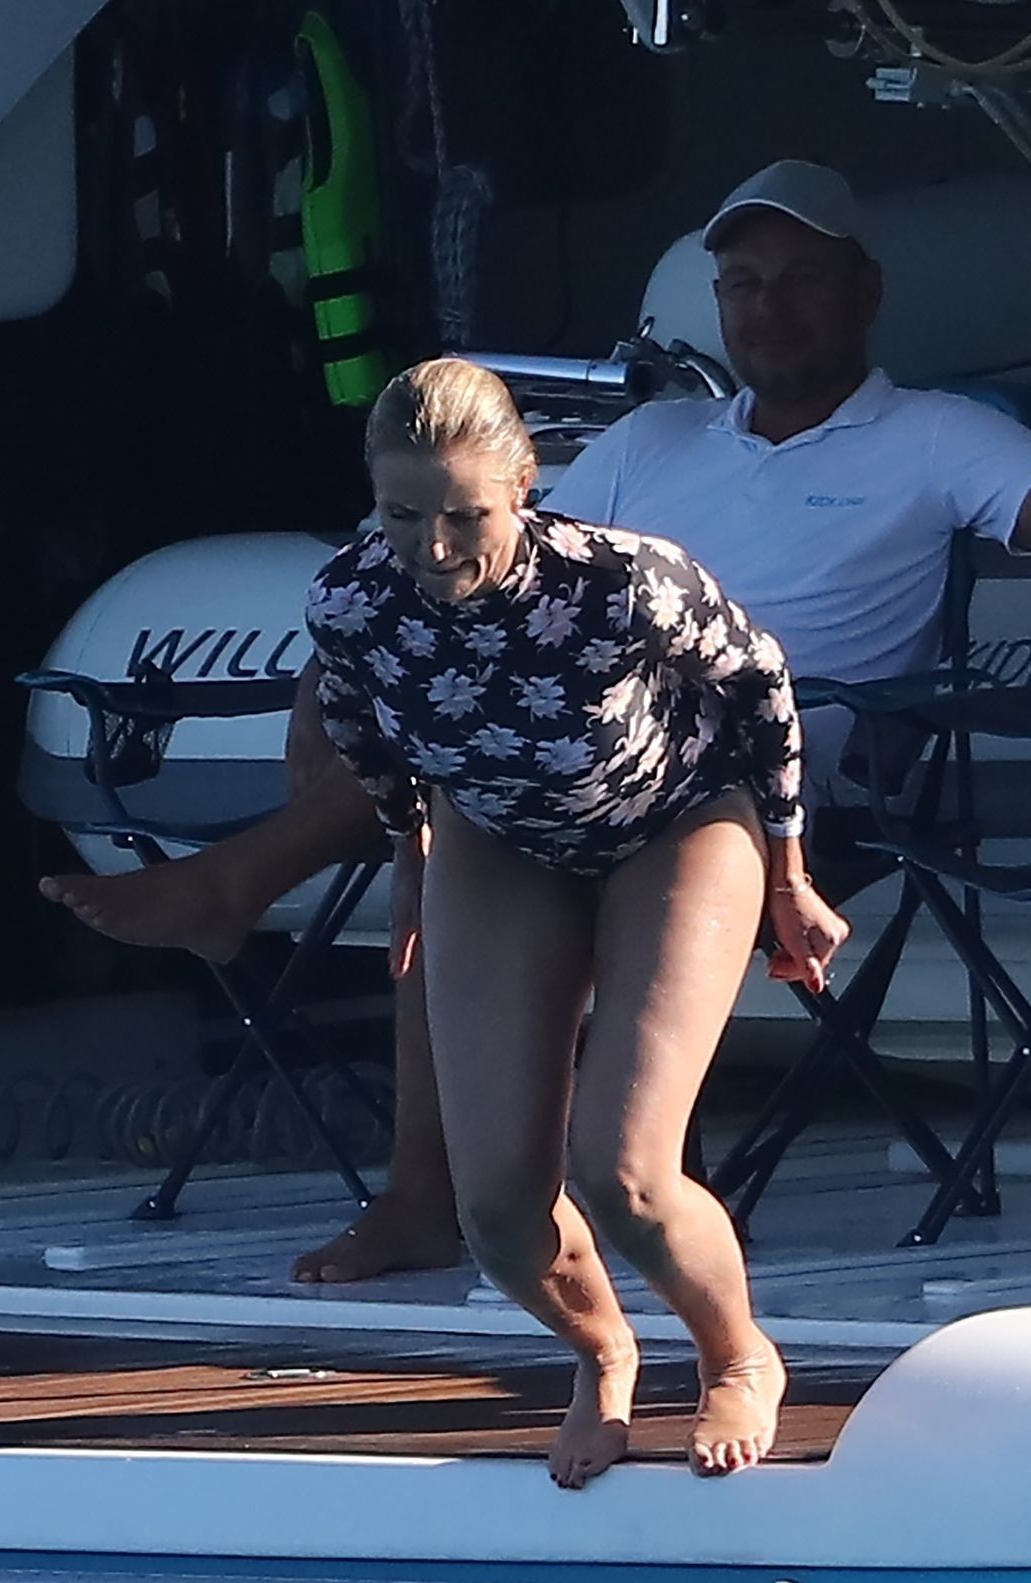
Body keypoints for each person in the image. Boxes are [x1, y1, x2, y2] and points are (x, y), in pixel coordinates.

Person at [41, 157, 1031, 1283]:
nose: (768, 308)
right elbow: (472, 569)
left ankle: (239, 890)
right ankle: (428, 1197)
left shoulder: (934, 436)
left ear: (864, 290)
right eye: (742, 285)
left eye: (801, 279)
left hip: (771, 780)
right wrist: (328, 682)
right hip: (580, 755)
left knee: (480, 781)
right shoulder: (654, 440)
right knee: (460, 792)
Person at [303, 354, 847, 1484]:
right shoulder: (352, 600)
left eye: (465, 516)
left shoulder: (623, 583)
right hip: (502, 842)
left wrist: (789, 873)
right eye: (403, 515)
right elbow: (360, 723)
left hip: (677, 823)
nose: (434, 548)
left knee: (624, 1175)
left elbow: (760, 682)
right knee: (498, 1208)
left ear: (524, 486)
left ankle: (736, 1355)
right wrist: (410, 857)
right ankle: (602, 1355)